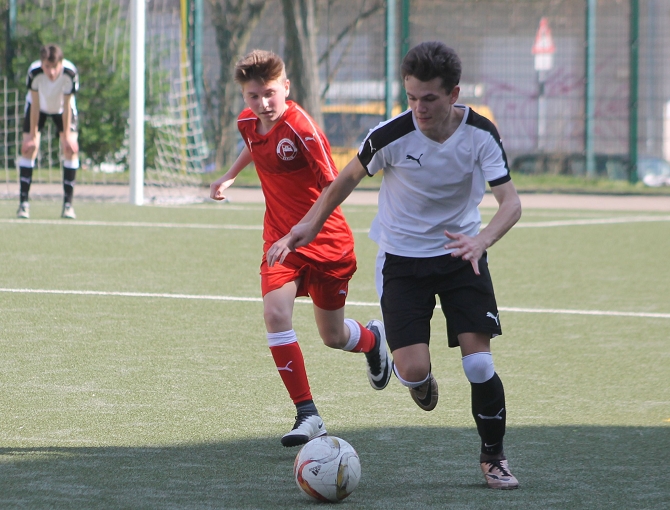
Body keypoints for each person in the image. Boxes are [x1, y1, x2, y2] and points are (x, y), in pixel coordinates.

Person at [267, 41, 522, 489]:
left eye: (430, 98)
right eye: (411, 97)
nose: (419, 108)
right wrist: (307, 226)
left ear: (454, 94)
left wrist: (481, 241)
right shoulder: (391, 135)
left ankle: (493, 457)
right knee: (412, 370)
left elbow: (511, 203)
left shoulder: (480, 134)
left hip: (462, 257)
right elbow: (344, 180)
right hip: (402, 263)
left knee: (479, 366)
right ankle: (417, 379)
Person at [209, 49, 392, 447]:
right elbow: (253, 142)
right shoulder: (247, 122)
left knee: (333, 336)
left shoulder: (302, 129)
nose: (263, 103)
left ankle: (373, 341)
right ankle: (307, 413)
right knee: (276, 314)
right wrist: (230, 175)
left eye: (270, 93)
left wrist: (302, 231)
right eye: (254, 96)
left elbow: (333, 186)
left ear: (286, 88)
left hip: (325, 242)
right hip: (280, 242)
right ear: (244, 96)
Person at [17, 44, 80, 220]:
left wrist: (67, 137)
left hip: (63, 110)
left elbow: (67, 105)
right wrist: (32, 136)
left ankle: (68, 206)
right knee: (29, 149)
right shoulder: (34, 72)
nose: (51, 72)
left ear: (61, 63)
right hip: (38, 109)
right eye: (47, 66)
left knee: (70, 150)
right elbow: (35, 104)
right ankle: (23, 204)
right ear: (41, 63)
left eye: (55, 67)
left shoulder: (70, 73)